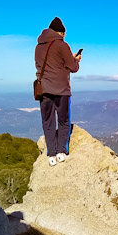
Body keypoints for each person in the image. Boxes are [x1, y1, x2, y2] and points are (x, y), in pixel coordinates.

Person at [35, 17, 81, 166]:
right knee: (63, 121)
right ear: (60, 32)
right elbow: (72, 68)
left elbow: (45, 66)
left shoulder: (38, 47)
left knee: (48, 121)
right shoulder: (62, 45)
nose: (64, 36)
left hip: (44, 90)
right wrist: (76, 60)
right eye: (64, 34)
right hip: (61, 90)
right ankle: (61, 151)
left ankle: (51, 155)